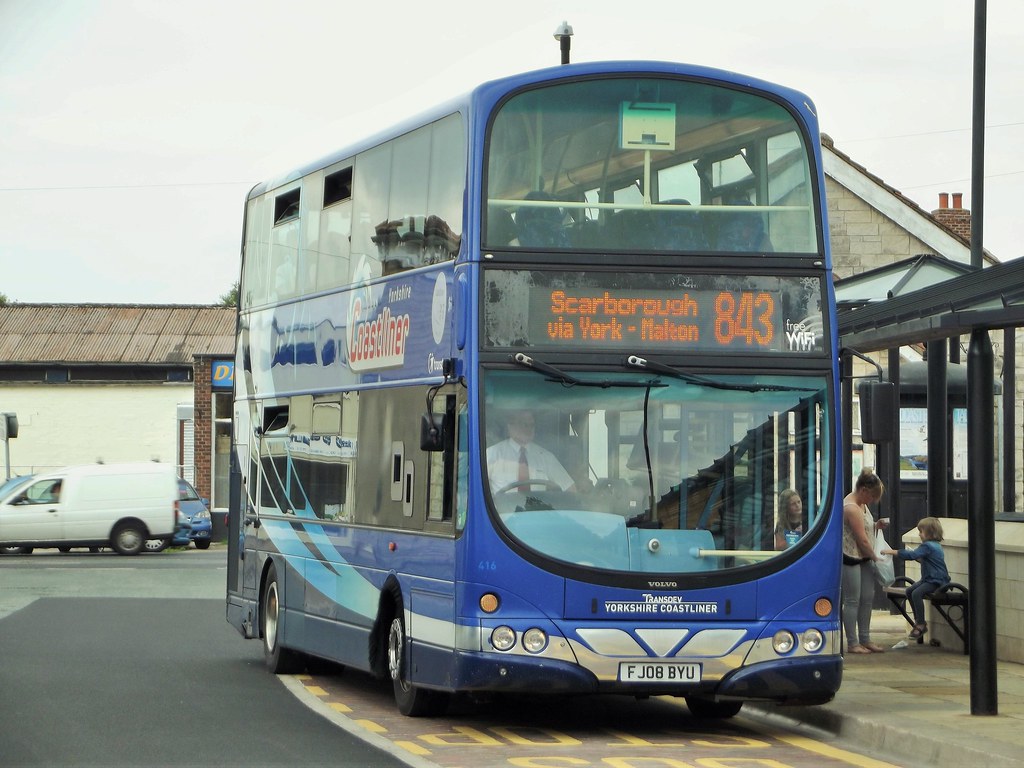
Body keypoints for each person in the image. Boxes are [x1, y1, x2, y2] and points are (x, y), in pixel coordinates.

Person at [882, 516, 950, 640]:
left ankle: (920, 623)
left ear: (930, 533)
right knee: (910, 591)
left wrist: (893, 552)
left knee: (916, 593)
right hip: (931, 579)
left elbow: (912, 555)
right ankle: (918, 620)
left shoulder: (928, 546)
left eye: (921, 532)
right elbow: (927, 560)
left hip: (935, 581)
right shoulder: (936, 545)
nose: (919, 535)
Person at [842, 468, 887, 654]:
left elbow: (865, 529)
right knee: (852, 599)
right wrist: (875, 556)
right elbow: (861, 538)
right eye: (872, 497)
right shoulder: (851, 507)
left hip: (864, 557)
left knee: (867, 598)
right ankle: (853, 642)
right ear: (863, 490)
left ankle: (865, 638)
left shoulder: (862, 504)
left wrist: (877, 525)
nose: (872, 501)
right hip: (851, 556)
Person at [487, 410, 575, 493]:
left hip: (538, 507)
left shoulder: (545, 457)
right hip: (500, 509)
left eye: (532, 425)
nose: (529, 429)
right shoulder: (492, 454)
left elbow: (570, 489)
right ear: (510, 427)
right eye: (524, 425)